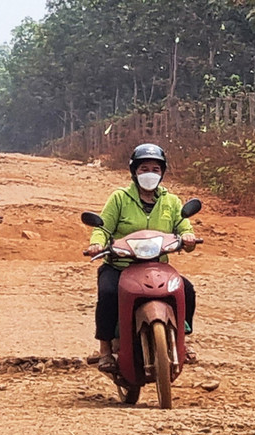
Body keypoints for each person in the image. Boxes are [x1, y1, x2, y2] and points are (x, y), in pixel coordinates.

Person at [85, 143, 198, 374]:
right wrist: (96, 243)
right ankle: (105, 349)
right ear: (134, 172)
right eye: (144, 168)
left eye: (155, 169)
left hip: (156, 265)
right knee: (108, 293)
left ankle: (183, 338)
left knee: (186, 289)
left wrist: (188, 236)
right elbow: (103, 228)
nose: (150, 174)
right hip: (120, 264)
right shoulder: (119, 198)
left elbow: (183, 225)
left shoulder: (172, 202)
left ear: (162, 172)